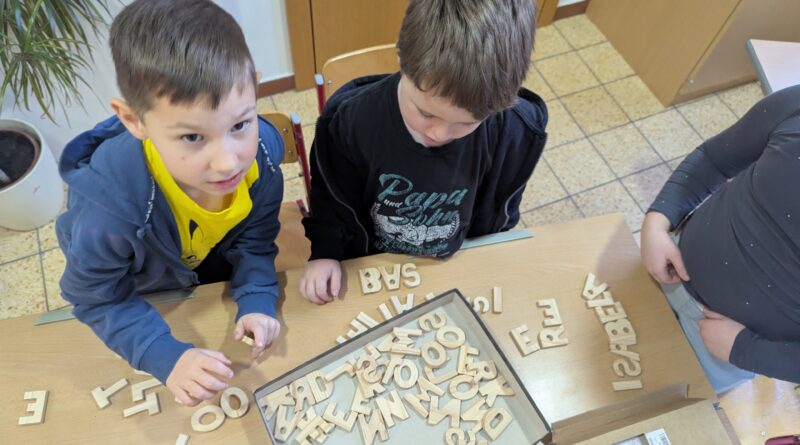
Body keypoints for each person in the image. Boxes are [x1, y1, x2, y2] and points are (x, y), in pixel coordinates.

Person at [56, 0, 284, 406]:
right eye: (193, 137)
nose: (228, 161)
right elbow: (96, 296)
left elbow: (256, 239)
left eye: (239, 124)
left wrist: (257, 297)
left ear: (256, 88)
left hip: (206, 277)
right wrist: (164, 356)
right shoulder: (108, 215)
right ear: (133, 120)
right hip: (149, 293)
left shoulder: (262, 155)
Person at [300, 0, 548, 304]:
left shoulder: (512, 130)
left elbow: (501, 213)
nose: (438, 134)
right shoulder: (348, 123)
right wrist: (325, 252)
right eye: (425, 113)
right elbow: (330, 199)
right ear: (402, 60)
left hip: (457, 263)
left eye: (466, 123)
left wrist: (493, 251)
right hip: (372, 265)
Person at [641, 84, 800, 392]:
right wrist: (658, 221)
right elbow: (715, 158)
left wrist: (746, 351)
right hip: (660, 271)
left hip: (719, 352)